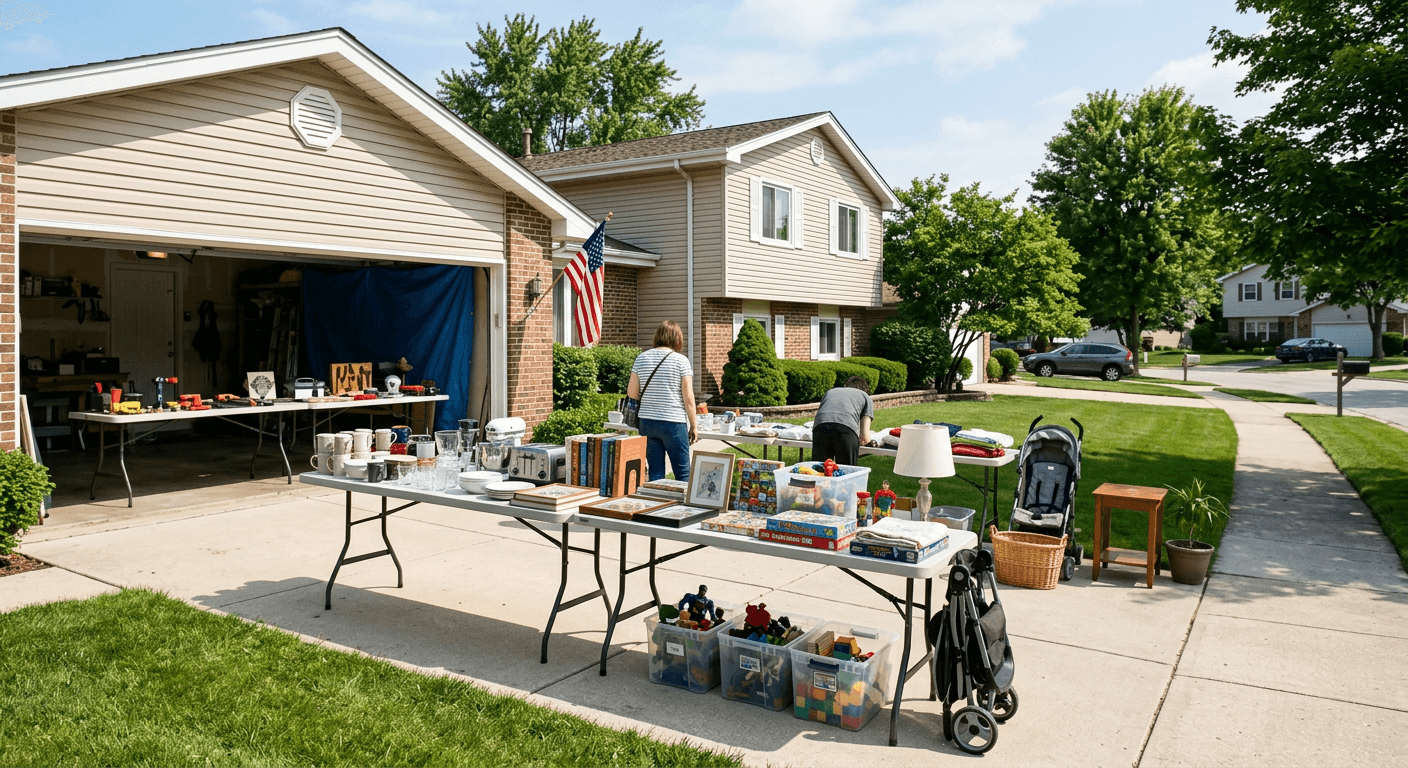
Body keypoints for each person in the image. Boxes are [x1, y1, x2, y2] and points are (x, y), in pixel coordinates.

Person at [628, 321, 697, 482]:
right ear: (677, 339)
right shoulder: (681, 361)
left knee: (655, 474)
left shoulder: (641, 358)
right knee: (683, 473)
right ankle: (683, 507)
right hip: (673, 422)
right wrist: (694, 425)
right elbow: (689, 398)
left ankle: (657, 506)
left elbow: (632, 393)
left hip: (647, 422)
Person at [811, 375, 876, 466]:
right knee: (846, 472)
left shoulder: (830, 392)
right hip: (845, 430)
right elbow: (865, 438)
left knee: (820, 471)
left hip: (820, 429)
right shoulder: (865, 397)